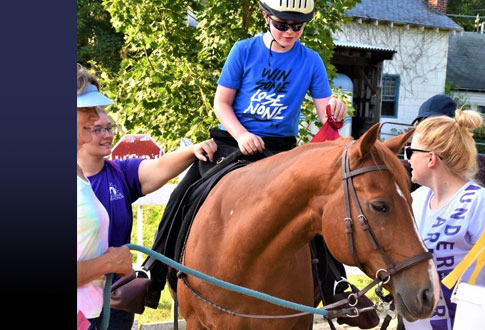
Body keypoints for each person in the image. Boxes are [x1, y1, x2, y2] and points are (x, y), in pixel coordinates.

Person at [143, 0, 348, 310]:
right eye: (282, 24)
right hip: (233, 142)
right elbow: (221, 103)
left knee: (311, 205)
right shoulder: (244, 50)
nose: (290, 32)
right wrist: (241, 135)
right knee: (183, 195)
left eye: (297, 26)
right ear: (267, 17)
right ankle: (151, 274)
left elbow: (325, 114)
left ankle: (335, 284)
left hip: (280, 150)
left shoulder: (311, 60)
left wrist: (336, 111)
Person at [77, 107, 217, 329]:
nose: (107, 134)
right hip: (81, 304)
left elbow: (159, 167)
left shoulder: (120, 173)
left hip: (116, 300)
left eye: (108, 127)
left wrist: (193, 150)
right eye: (97, 129)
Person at [403, 109, 485, 330]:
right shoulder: (415, 200)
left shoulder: (479, 202)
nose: (408, 158)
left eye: (411, 151)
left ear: (431, 158)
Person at [77, 64, 133, 329]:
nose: (96, 117)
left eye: (96, 108)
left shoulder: (78, 172)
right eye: (86, 109)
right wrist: (110, 262)